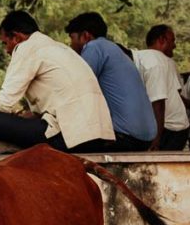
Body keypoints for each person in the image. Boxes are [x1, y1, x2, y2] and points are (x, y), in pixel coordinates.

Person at [0, 10, 115, 153]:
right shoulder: (60, 48)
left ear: (16, 38)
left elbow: (4, 104)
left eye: (5, 43)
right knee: (18, 120)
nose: (6, 50)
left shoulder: (27, 47)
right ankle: (18, 143)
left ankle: (16, 145)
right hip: (98, 137)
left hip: (69, 138)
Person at [65, 12, 157, 151]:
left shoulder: (94, 47)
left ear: (85, 35)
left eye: (72, 38)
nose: (71, 45)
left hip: (124, 136)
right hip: (146, 137)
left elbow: (77, 89)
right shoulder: (114, 49)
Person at [134, 25, 190, 150]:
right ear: (161, 40)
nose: (174, 45)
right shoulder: (155, 62)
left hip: (169, 129)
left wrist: (156, 138)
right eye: (172, 41)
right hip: (168, 128)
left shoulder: (164, 61)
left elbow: (163, 99)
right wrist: (157, 137)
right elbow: (159, 102)